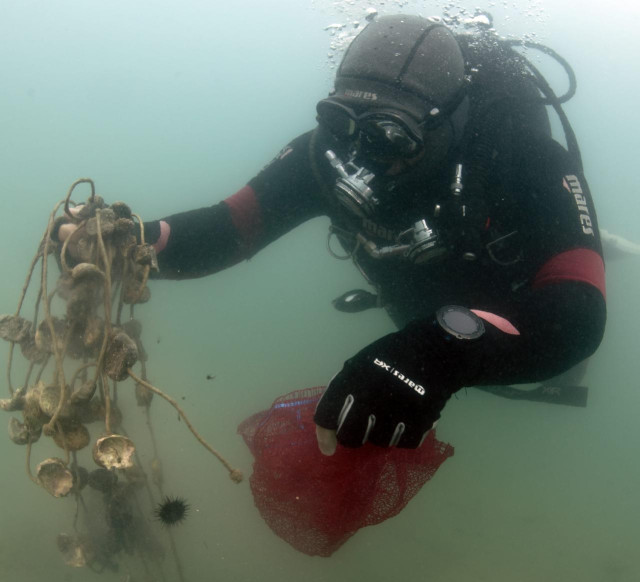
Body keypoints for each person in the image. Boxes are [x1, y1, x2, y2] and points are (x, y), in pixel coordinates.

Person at [59, 14, 606, 455]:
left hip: (509, 309)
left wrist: (443, 354)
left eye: (392, 135)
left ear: (444, 125)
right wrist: (126, 243)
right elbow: (229, 229)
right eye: (346, 122)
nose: (363, 155)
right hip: (414, 306)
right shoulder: (325, 153)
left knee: (542, 330)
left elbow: (577, 317)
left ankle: (610, 249)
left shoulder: (525, 161)